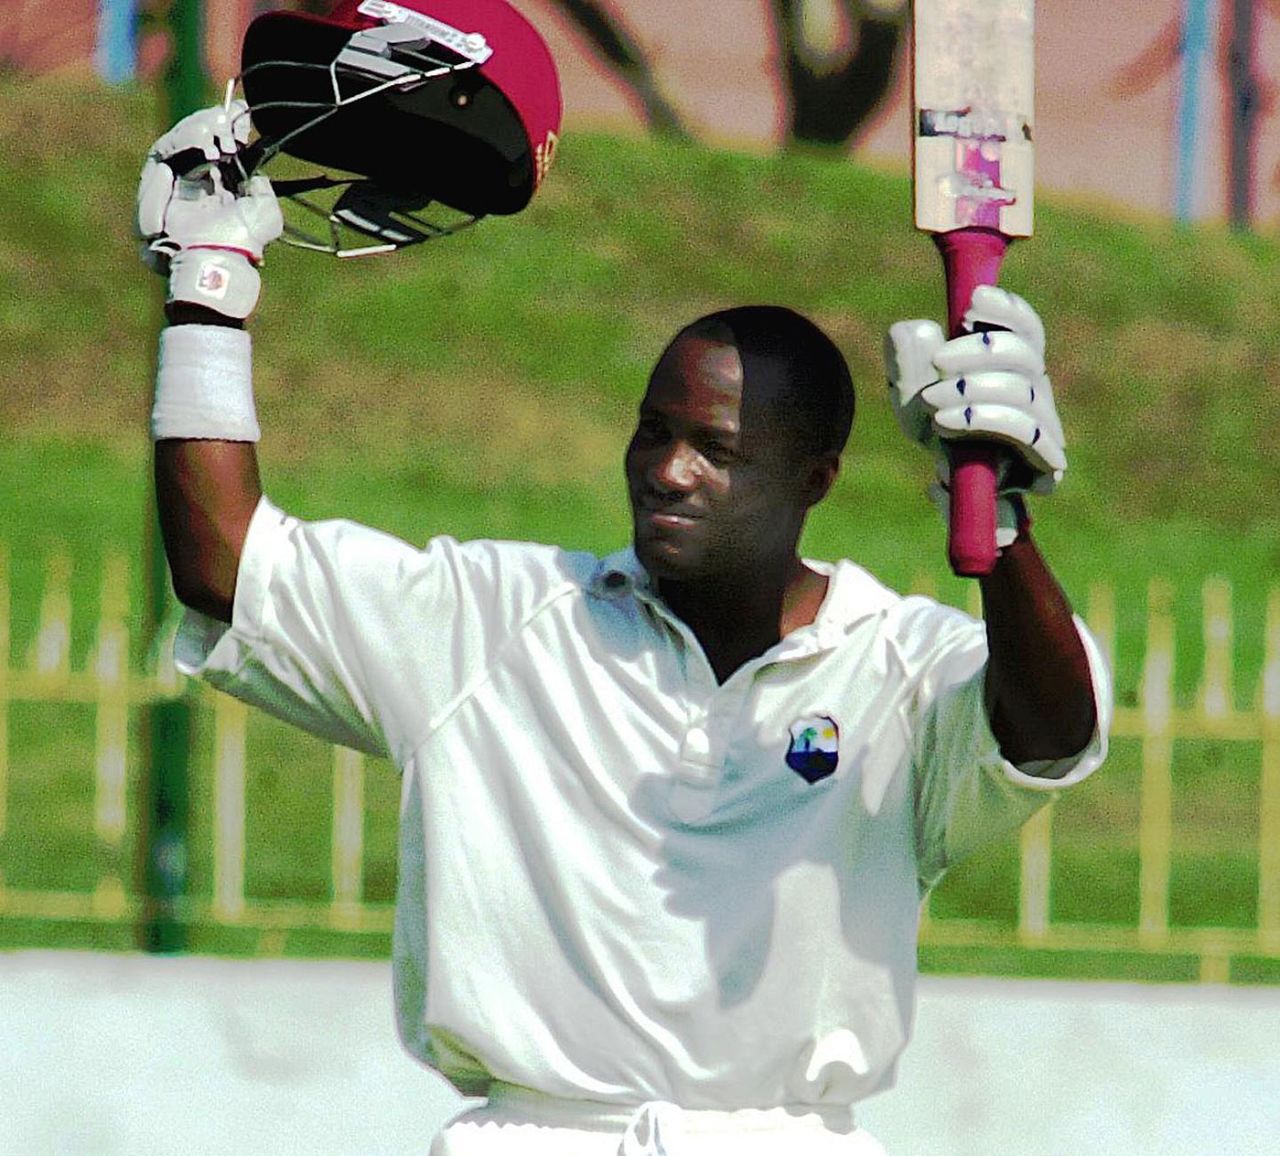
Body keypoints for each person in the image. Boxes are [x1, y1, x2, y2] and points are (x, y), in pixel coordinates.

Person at [138, 101, 1111, 1156]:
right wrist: (208, 290)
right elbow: (226, 567)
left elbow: (1051, 728)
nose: (665, 469)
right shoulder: (491, 625)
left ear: (813, 480)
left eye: (714, 448)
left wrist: (1002, 525)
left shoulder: (895, 666)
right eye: (651, 431)